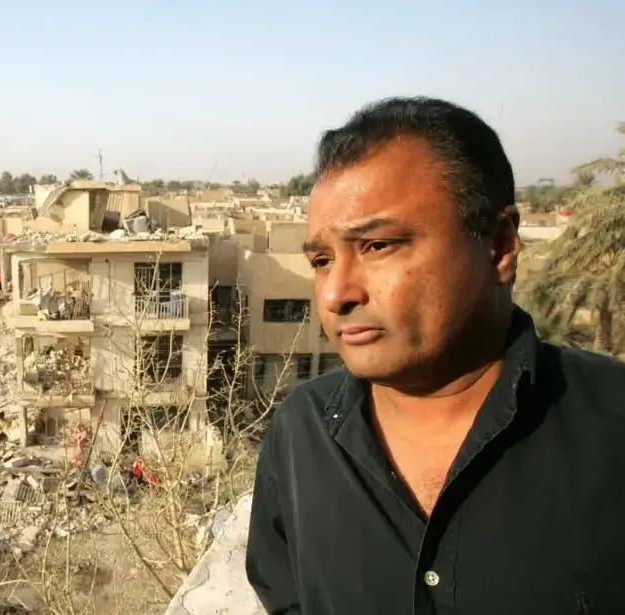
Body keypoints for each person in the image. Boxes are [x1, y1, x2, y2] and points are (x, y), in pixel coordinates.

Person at [245, 97, 625, 614]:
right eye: (321, 259)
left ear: (499, 245)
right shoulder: (302, 433)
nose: (336, 294)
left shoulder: (610, 427)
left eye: (378, 245)